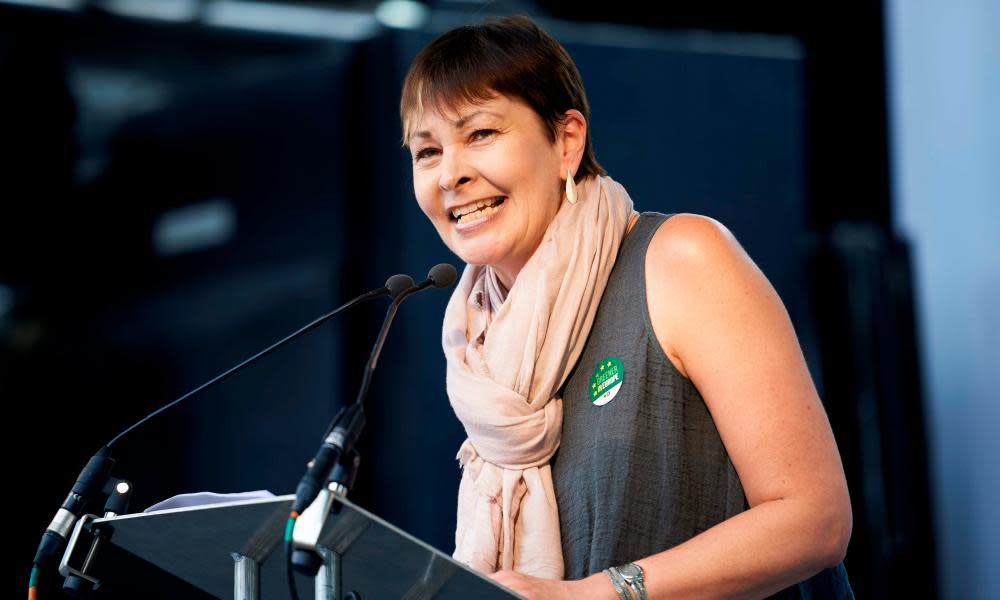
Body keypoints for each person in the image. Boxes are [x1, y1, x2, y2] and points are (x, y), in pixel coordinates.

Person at [400, 15, 854, 600]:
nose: (451, 175)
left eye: (481, 134)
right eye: (427, 151)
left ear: (566, 142)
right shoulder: (482, 350)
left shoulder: (681, 259)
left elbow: (815, 520)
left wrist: (596, 595)